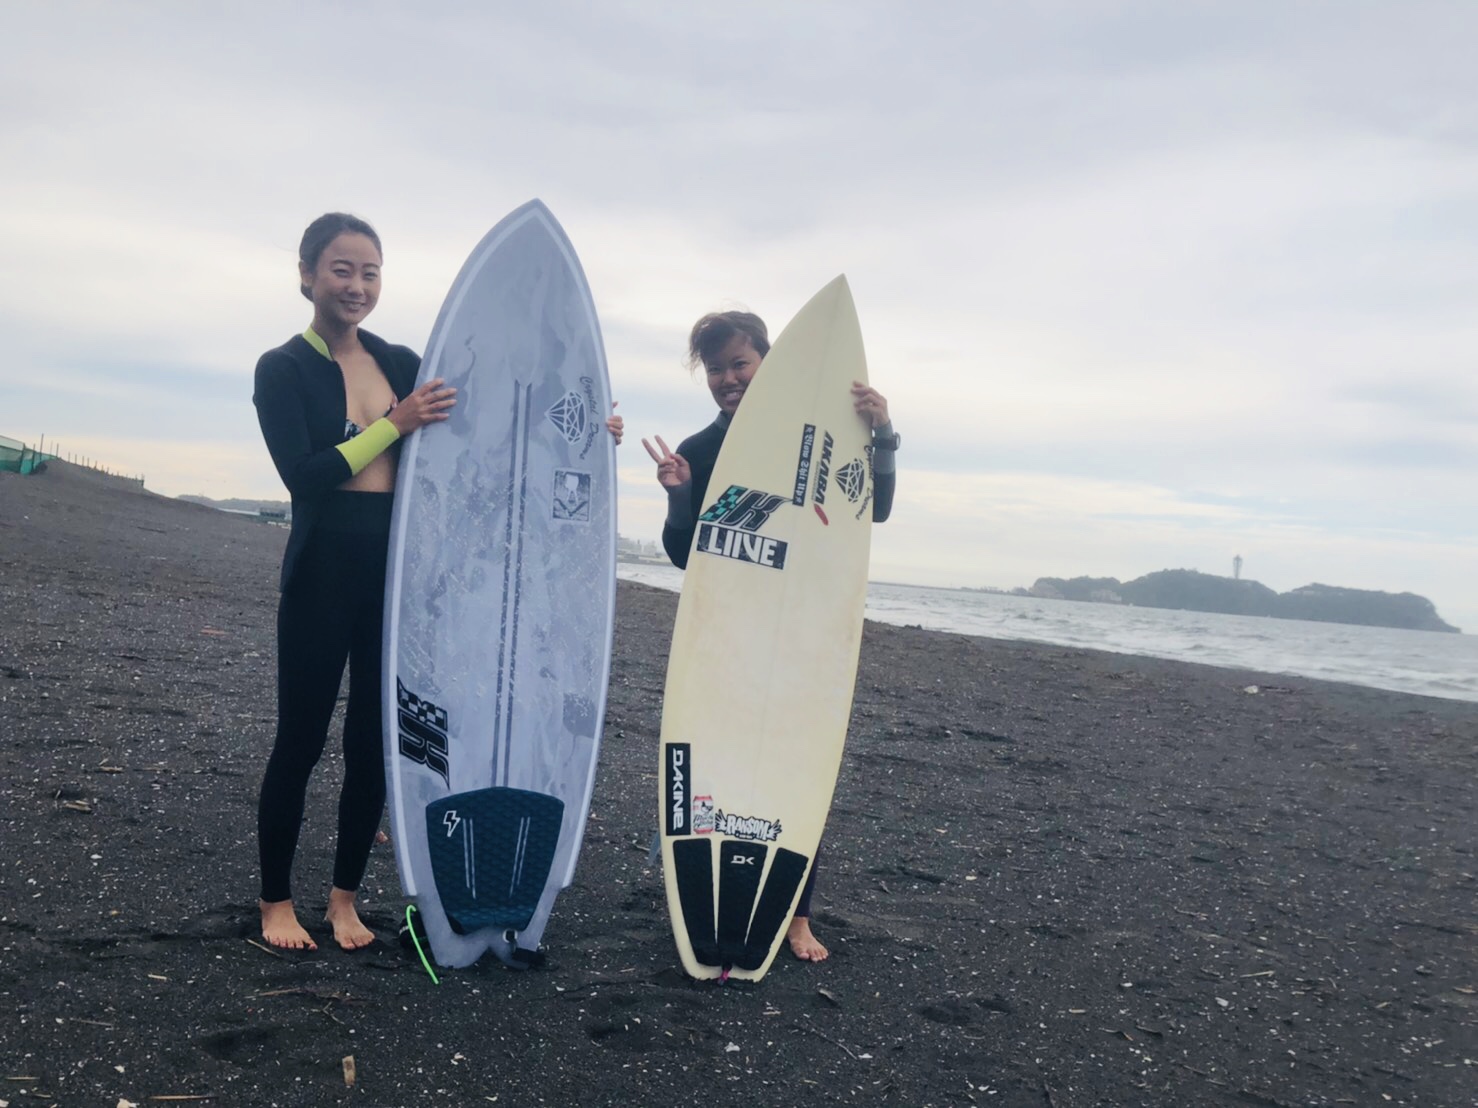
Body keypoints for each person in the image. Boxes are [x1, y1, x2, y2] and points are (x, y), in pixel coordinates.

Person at [253, 213, 623, 953]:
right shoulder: (282, 368)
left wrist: (583, 433)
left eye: (369, 272)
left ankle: (345, 901)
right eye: (341, 269)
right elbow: (306, 473)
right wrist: (395, 424)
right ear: (306, 275)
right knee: (300, 739)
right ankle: (275, 905)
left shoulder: (399, 359)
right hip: (324, 570)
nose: (356, 285)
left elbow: (483, 429)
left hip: (398, 576)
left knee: (373, 744)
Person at [641, 309, 898, 961]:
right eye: (716, 369)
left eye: (741, 364)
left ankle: (798, 916)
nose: (728, 379)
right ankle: (715, 887)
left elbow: (876, 510)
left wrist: (882, 435)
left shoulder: (816, 439)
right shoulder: (698, 451)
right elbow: (683, 556)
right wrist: (678, 494)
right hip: (729, 634)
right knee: (726, 759)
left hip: (805, 631)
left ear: (769, 361)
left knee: (795, 764)